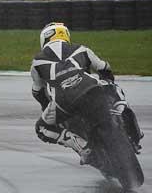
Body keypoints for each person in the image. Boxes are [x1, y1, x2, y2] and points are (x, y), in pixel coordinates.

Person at [31, 22, 143, 164]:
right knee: (113, 87)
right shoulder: (81, 49)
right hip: (92, 91)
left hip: (64, 101)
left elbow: (38, 92)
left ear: (44, 39)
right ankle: (124, 118)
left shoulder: (37, 61)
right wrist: (108, 84)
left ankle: (82, 147)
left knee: (41, 128)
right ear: (66, 35)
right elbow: (104, 68)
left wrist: (46, 107)